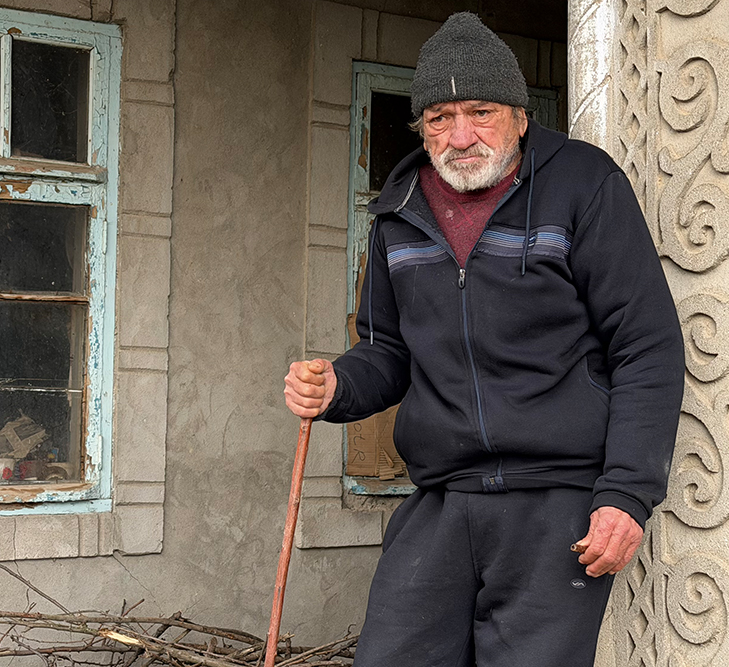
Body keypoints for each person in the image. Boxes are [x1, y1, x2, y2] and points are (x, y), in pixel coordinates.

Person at [282, 12, 684, 667]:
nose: (460, 135)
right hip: (443, 499)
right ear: (421, 128)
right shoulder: (399, 210)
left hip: (557, 504)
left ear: (521, 116)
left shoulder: (584, 185)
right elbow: (388, 350)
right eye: (439, 117)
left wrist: (626, 494)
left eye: (480, 111)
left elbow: (648, 348)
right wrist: (338, 384)